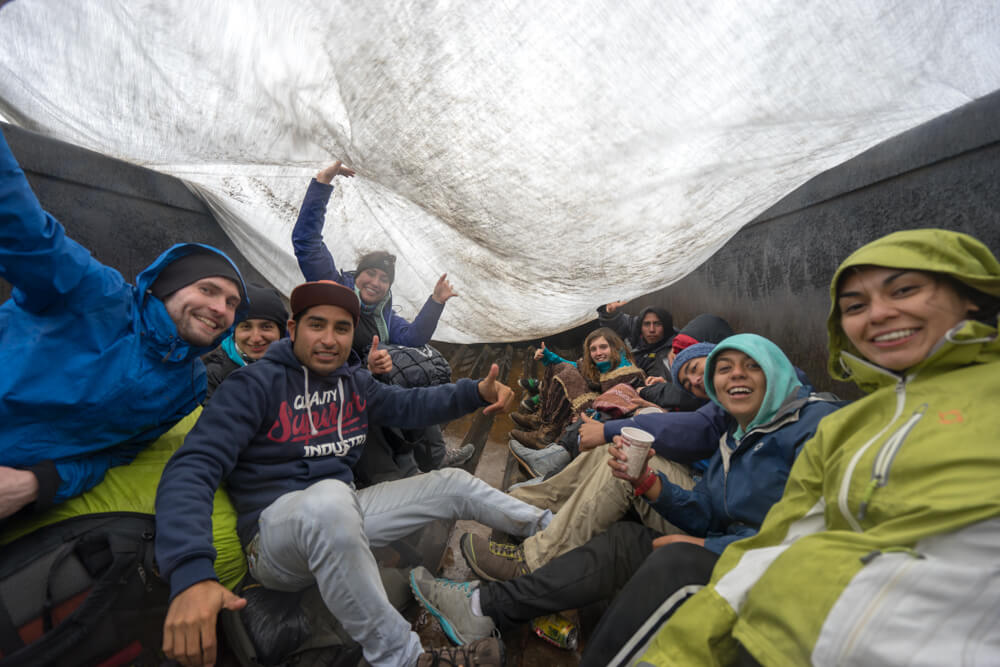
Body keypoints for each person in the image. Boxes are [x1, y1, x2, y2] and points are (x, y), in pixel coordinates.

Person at [638, 228, 1000, 666]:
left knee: (668, 563)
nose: (879, 314)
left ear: (971, 297)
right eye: (855, 306)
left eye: (904, 290)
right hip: (787, 632)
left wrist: (700, 547)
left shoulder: (815, 421)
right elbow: (780, 543)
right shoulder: (847, 426)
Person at [155, 280, 550, 667]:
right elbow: (193, 467)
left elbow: (407, 405)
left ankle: (549, 534)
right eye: (317, 325)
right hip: (273, 542)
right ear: (293, 330)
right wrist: (191, 573)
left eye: (341, 328)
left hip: (341, 513)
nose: (329, 339)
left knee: (451, 483)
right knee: (330, 500)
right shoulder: (252, 386)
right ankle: (403, 658)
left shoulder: (352, 382)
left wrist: (474, 393)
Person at [410, 334, 841, 666]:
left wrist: (709, 548)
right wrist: (650, 484)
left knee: (631, 492)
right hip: (715, 544)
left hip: (749, 569)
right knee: (620, 532)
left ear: (778, 369)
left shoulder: (815, 425)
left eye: (751, 367)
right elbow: (709, 508)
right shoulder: (739, 433)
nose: (735, 376)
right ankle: (485, 600)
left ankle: (529, 543)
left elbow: (822, 538)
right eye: (723, 370)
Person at [0, 128, 247, 521]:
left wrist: (36, 484)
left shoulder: (189, 385)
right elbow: (24, 234)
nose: (220, 308)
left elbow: (115, 453)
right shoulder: (95, 293)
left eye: (232, 303)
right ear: (167, 288)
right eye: (207, 289)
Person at [292, 162, 470, 479]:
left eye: (384, 278)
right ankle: (405, 467)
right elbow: (306, 242)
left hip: (373, 379)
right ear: (357, 275)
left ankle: (435, 456)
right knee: (396, 394)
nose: (375, 282)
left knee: (416, 379)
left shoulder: (384, 316)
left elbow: (414, 338)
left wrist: (436, 302)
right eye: (370, 273)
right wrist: (322, 183)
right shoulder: (335, 291)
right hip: (335, 384)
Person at [510, 328, 644, 449]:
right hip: (595, 406)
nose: (598, 353)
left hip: (600, 416)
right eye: (593, 349)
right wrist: (549, 356)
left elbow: (617, 408)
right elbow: (576, 366)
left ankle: (546, 436)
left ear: (615, 347)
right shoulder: (601, 367)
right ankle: (541, 419)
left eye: (603, 347)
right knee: (560, 367)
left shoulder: (626, 373)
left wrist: (584, 416)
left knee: (569, 375)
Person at [203, 283, 288, 399]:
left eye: (266, 327)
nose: (256, 338)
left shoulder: (299, 368)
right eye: (246, 327)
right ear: (233, 331)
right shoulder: (213, 375)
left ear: (281, 332)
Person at [597, 299, 677, 376]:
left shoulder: (671, 351)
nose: (652, 330)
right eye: (647, 324)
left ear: (666, 326)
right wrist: (609, 313)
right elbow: (620, 322)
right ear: (641, 326)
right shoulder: (636, 327)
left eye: (657, 324)